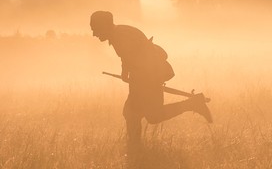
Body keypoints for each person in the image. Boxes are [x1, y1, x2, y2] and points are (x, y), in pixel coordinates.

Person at [90, 11, 212, 146]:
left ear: (104, 25)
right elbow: (130, 56)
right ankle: (135, 147)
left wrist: (128, 74)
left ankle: (192, 104)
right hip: (144, 77)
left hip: (147, 77)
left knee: (152, 115)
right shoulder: (121, 32)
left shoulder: (120, 36)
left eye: (95, 29)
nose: (94, 34)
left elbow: (128, 56)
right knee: (132, 114)